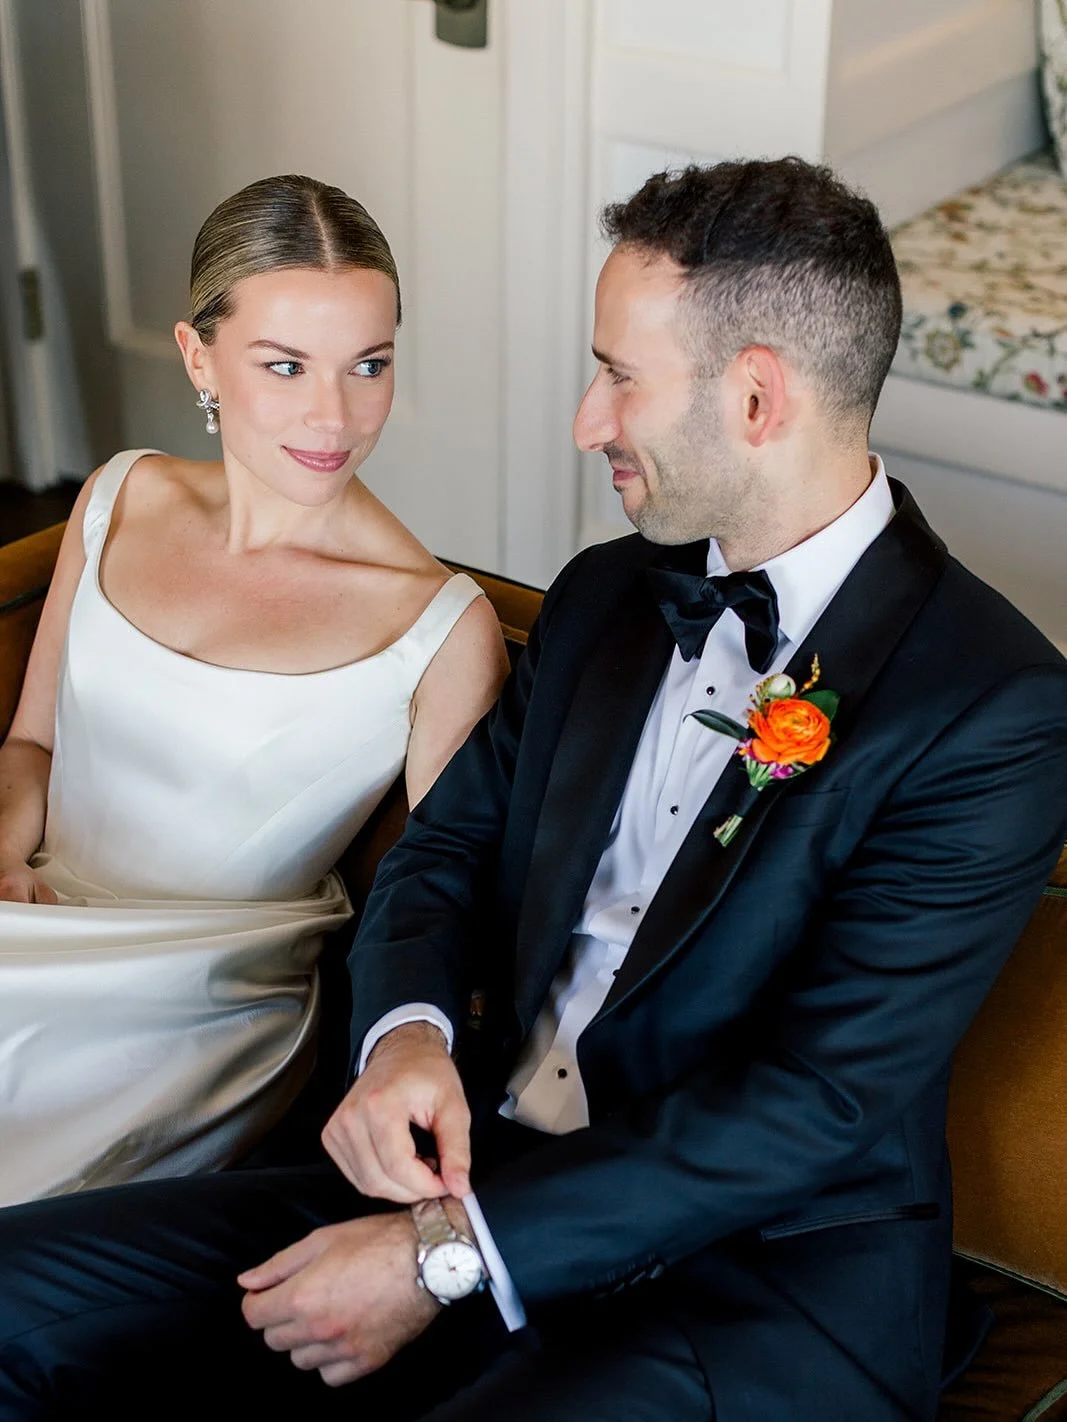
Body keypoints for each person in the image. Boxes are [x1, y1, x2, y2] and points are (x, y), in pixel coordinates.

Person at [1, 156, 1066, 1421]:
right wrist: (405, 1038)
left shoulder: (992, 707)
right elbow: (439, 855)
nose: (586, 420)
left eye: (618, 376)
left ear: (755, 396)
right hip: (458, 1175)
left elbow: (813, 1100)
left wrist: (446, 1258)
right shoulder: (604, 598)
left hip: (745, 1287)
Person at [0, 174, 508, 1206]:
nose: (335, 415)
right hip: (34, 923)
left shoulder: (438, 628)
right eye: (285, 365)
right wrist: (5, 849)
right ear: (199, 357)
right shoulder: (118, 496)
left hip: (203, 1012)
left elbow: (448, 901)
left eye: (369, 365)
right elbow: (33, 746)